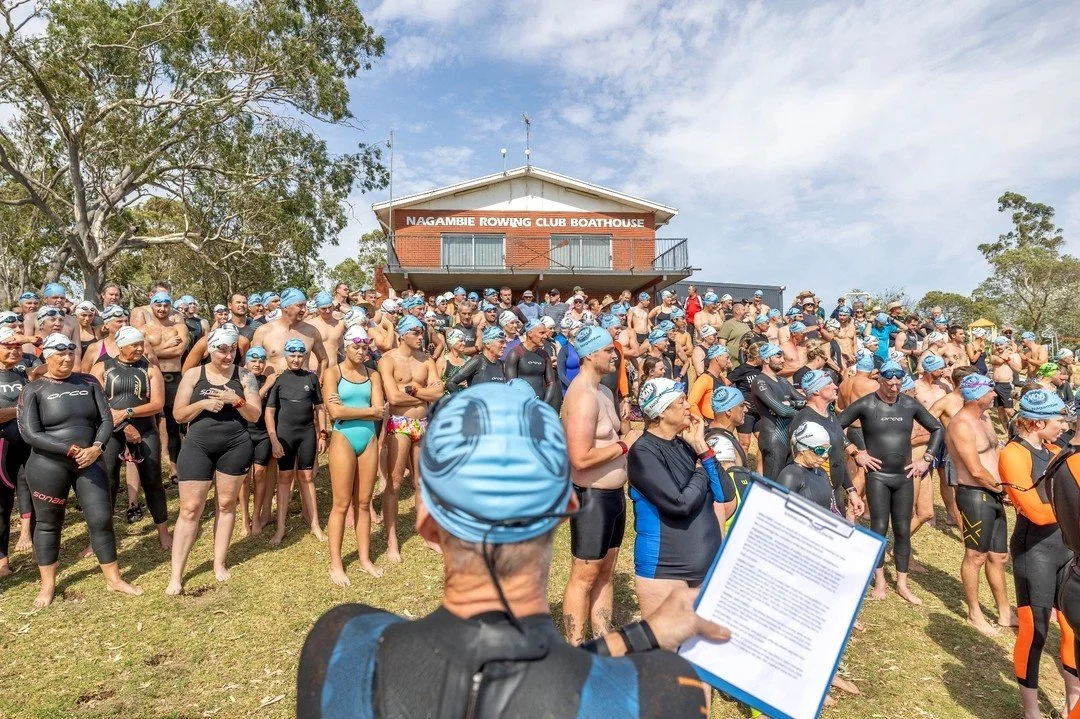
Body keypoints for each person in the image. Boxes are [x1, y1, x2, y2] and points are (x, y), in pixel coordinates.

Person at [297, 383, 726, 718]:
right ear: (565, 509)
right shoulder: (666, 692)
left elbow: (491, 681)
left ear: (427, 522)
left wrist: (641, 633)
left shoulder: (340, 642)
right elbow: (553, 679)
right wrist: (641, 639)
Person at [17, 333, 143, 607]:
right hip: (49, 465)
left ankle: (114, 579)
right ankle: (47, 584)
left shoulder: (88, 382)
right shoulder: (34, 389)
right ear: (46, 357)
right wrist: (68, 449)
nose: (66, 358)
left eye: (70, 354)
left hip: (91, 459)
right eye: (60, 354)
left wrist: (97, 447)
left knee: (101, 519)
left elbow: (106, 419)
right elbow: (29, 433)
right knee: (49, 525)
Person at [997, 390, 1079, 717]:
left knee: (1072, 629)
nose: (1064, 425)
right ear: (1037, 421)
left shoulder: (1056, 450)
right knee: (1036, 631)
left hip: (1065, 551)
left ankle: (1072, 701)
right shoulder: (1013, 454)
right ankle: (1031, 712)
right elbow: (1036, 512)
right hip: (1035, 552)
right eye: (1059, 419)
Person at [167, 327, 262, 595]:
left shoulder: (244, 376)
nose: (228, 354)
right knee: (189, 509)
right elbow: (177, 415)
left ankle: (219, 562)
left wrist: (238, 401)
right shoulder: (193, 375)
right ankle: (177, 574)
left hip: (235, 445)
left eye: (232, 349)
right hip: (198, 445)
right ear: (210, 349)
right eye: (222, 349)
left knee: (226, 503)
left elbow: (255, 416)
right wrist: (202, 405)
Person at [840, 360, 943, 605]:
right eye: (889, 382)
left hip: (904, 475)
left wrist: (926, 459)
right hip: (878, 476)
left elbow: (937, 428)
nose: (894, 386)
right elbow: (835, 425)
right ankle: (880, 581)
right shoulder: (866, 404)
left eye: (898, 382)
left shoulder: (909, 404)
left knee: (902, 530)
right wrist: (856, 452)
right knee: (879, 526)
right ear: (880, 380)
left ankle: (902, 584)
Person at [628, 378, 728, 616]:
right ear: (662, 411)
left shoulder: (685, 445)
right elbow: (679, 504)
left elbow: (724, 494)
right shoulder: (643, 452)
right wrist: (701, 470)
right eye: (681, 401)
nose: (688, 406)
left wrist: (702, 448)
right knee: (666, 651)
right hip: (666, 571)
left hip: (704, 570)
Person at [560, 326, 629, 644]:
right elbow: (580, 458)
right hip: (592, 499)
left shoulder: (602, 390)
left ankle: (602, 640)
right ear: (590, 354)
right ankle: (574, 648)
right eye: (608, 350)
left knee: (606, 570)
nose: (614, 355)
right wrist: (624, 446)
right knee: (584, 576)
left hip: (613, 496)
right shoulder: (583, 397)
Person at [944, 373, 1015, 635]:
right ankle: (974, 613)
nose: (994, 394)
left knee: (999, 556)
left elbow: (994, 456)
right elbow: (974, 470)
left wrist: (1004, 485)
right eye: (989, 391)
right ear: (976, 395)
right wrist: (1002, 490)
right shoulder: (962, 425)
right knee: (976, 556)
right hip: (975, 495)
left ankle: (1005, 612)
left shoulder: (983, 419)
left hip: (994, 492)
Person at [89, 326, 171, 549]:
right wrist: (123, 424)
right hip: (111, 429)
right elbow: (94, 401)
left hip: (144, 429)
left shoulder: (150, 369)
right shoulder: (102, 367)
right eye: (134, 345)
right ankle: (99, 539)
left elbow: (157, 403)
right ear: (121, 345)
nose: (139, 349)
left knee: (152, 480)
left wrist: (128, 413)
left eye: (141, 345)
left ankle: (163, 533)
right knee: (107, 482)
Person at [378, 314, 445, 562]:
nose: (421, 337)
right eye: (416, 333)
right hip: (399, 423)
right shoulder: (388, 360)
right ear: (403, 334)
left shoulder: (426, 361)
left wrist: (415, 391)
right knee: (395, 483)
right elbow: (393, 398)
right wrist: (424, 396)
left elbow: (439, 392)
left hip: (423, 424)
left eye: (422, 333)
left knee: (421, 483)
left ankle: (426, 533)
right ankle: (392, 538)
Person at [323, 326, 384, 584]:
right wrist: (367, 411)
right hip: (343, 438)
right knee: (341, 503)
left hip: (368, 439)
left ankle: (364, 558)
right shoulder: (332, 373)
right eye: (355, 347)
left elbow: (380, 410)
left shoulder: (374, 375)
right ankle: (335, 564)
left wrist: (349, 409)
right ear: (344, 348)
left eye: (364, 347)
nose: (361, 351)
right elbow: (334, 414)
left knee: (364, 502)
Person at [266, 339, 327, 545]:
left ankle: (315, 524)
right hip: (285, 435)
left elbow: (319, 407)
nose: (296, 359)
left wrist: (323, 433)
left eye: (300, 356)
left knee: (307, 477)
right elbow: (269, 411)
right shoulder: (280, 380)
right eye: (292, 355)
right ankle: (281, 527)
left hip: (306, 433)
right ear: (286, 356)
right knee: (284, 479)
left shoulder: (311, 378)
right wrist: (274, 439)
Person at [789, 370, 865, 518]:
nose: (835, 387)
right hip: (814, 494)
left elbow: (836, 457)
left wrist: (851, 491)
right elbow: (798, 461)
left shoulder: (829, 416)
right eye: (829, 383)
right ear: (816, 390)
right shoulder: (805, 421)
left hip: (833, 491)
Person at [141, 290, 189, 482]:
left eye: (166, 305)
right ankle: (150, 470)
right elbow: (143, 355)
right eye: (158, 305)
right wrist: (167, 345)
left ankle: (174, 468)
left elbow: (179, 350)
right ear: (151, 305)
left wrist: (156, 351)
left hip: (174, 377)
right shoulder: (143, 329)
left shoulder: (180, 327)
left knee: (174, 425)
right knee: (148, 424)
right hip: (152, 376)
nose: (162, 309)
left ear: (171, 306)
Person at [0, 327, 32, 576]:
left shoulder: (23, 373)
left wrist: (30, 340)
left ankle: (30, 539)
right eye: (7, 346)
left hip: (28, 446)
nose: (13, 351)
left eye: (17, 347)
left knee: (31, 490)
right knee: (2, 503)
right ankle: (2, 560)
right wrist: (22, 409)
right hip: (4, 448)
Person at [750, 343, 802, 479]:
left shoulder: (783, 381)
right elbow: (781, 410)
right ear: (766, 359)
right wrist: (797, 408)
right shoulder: (759, 381)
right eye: (778, 356)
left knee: (788, 483)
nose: (783, 360)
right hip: (773, 439)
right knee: (773, 486)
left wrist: (790, 403)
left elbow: (805, 402)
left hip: (790, 438)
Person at [250, 288, 330, 375]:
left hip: (302, 386)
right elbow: (251, 361)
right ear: (285, 307)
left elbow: (323, 359)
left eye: (305, 306)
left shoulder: (311, 332)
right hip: (273, 386)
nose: (304, 310)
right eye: (299, 306)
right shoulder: (264, 331)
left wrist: (318, 381)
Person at [240, 346, 275, 536]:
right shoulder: (241, 381)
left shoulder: (268, 381)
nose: (258, 364)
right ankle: (245, 518)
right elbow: (251, 406)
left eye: (261, 361)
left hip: (262, 433)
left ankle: (257, 516)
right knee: (244, 479)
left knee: (260, 474)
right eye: (254, 361)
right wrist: (267, 385)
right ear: (246, 362)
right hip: (244, 433)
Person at [777, 422, 840, 512]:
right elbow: (778, 512)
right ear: (803, 449)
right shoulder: (790, 475)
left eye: (828, 450)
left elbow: (830, 510)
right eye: (819, 450)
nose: (825, 455)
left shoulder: (822, 472)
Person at [504, 318, 556, 406]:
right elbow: (511, 384)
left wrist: (544, 405)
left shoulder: (544, 355)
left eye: (545, 333)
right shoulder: (516, 353)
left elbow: (551, 383)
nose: (545, 336)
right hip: (521, 405)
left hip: (540, 405)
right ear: (530, 333)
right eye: (541, 333)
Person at [450, 325, 508, 391]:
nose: (505, 346)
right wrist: (463, 400)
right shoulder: (478, 361)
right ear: (488, 344)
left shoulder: (500, 364)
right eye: (501, 342)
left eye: (505, 342)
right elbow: (451, 383)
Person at [687, 344, 730, 420]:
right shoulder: (704, 379)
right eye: (727, 358)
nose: (729, 361)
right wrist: (702, 422)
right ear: (717, 358)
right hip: (709, 425)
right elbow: (691, 403)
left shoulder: (721, 377)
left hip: (720, 423)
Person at [991, 335, 1023, 426]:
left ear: (1006, 345)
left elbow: (1018, 369)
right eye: (997, 345)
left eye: (1001, 344)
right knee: (1000, 410)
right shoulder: (994, 356)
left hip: (1006, 385)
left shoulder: (1014, 355)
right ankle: (1007, 431)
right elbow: (996, 361)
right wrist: (1003, 357)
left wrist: (1008, 360)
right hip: (996, 385)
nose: (999, 347)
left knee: (1009, 410)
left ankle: (1020, 427)